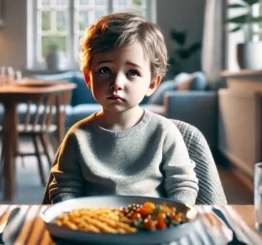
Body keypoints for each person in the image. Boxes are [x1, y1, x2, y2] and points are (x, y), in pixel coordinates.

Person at [49, 12, 199, 204]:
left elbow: (183, 185)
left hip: (150, 228)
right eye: (104, 70)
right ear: (88, 77)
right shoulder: (77, 136)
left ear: (152, 84)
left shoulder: (164, 132)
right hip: (94, 229)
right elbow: (64, 188)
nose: (116, 83)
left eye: (132, 73)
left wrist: (173, 217)